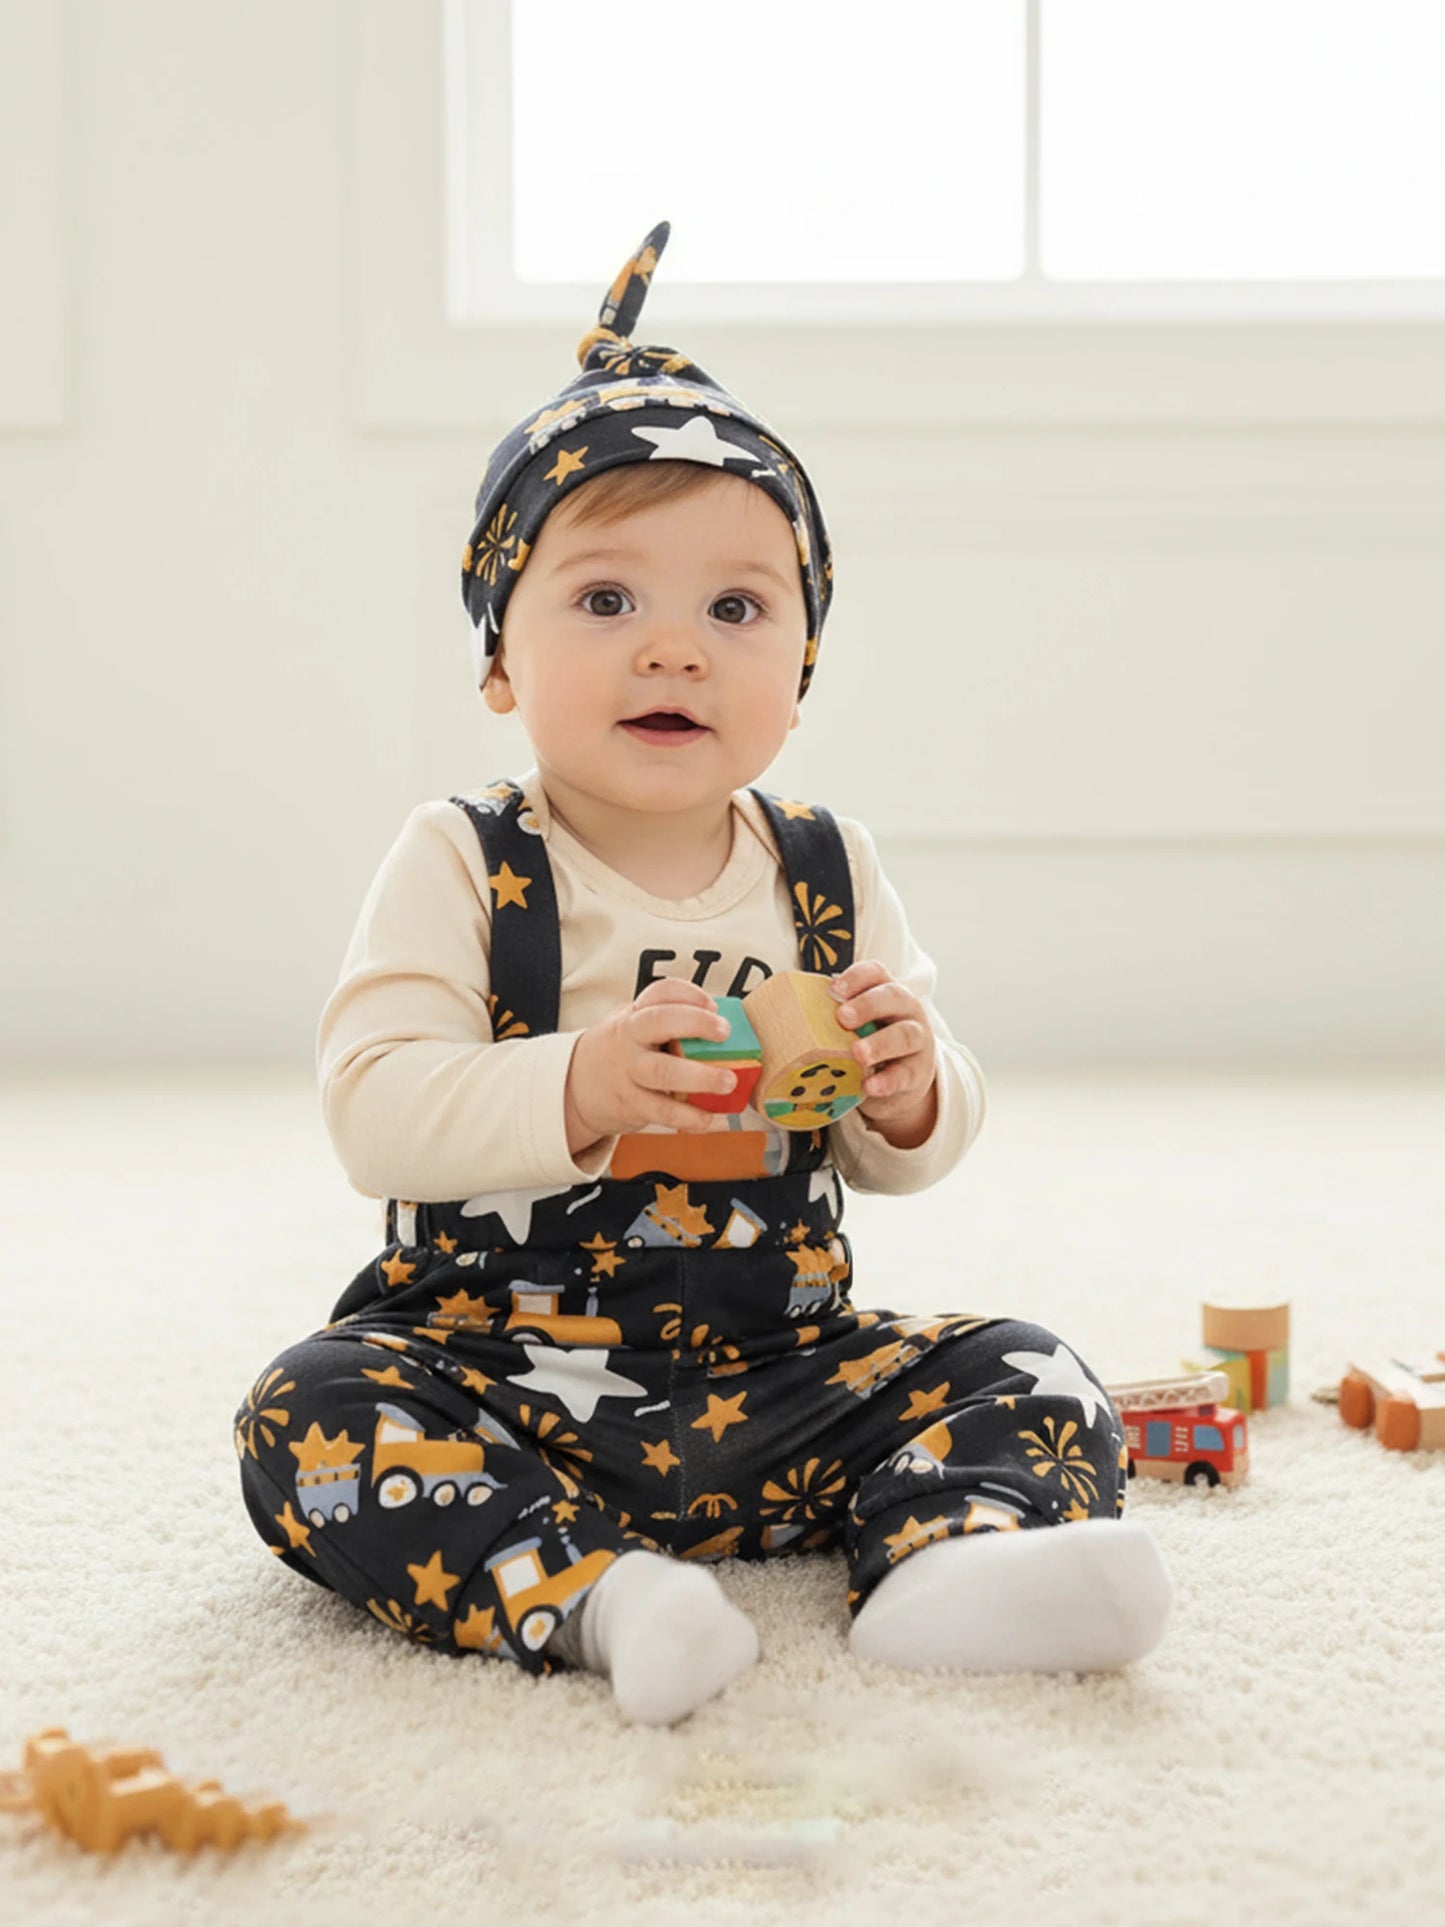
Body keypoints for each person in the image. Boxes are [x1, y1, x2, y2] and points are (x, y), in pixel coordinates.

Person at [232, 222, 1173, 1727]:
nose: (674, 650)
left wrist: (914, 1086)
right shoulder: (470, 856)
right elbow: (375, 1110)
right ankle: (599, 1595)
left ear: (797, 676)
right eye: (606, 602)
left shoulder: (823, 864)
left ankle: (952, 1567)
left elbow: (899, 1156)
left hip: (783, 1376)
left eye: (735, 610)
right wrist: (583, 1079)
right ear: (497, 661)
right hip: (508, 1374)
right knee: (311, 1412)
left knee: (1027, 1365)